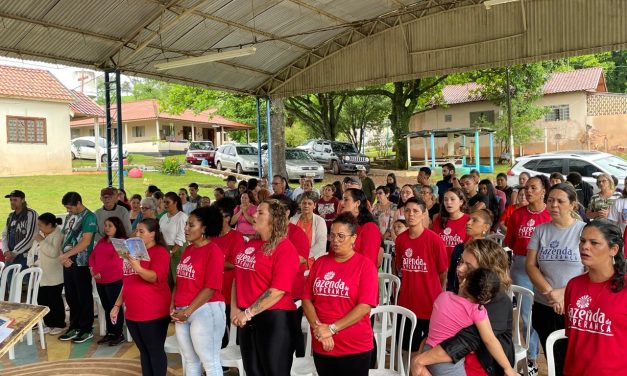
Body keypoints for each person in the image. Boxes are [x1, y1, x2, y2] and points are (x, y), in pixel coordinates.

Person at [411, 239, 514, 376]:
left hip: (481, 367)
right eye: (461, 261)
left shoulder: (498, 302)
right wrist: (420, 356)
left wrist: (420, 360)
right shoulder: (461, 293)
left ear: (486, 273)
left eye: (469, 267)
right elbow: (435, 329)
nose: (459, 268)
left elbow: (465, 340)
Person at [302, 212, 378, 376]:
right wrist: (319, 329)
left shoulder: (365, 266)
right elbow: (307, 299)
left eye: (341, 236)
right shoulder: (320, 263)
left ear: (353, 238)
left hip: (354, 347)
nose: (335, 240)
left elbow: (364, 306)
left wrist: (332, 329)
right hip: (322, 342)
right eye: (333, 235)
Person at [231, 199, 300, 376]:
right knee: (252, 371)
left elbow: (277, 290)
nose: (254, 214)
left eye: (260, 212)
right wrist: (234, 309)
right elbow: (237, 278)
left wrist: (247, 313)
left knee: (273, 371)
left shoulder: (285, 248)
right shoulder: (251, 244)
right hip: (247, 317)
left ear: (274, 219)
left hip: (274, 319)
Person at [525, 183, 586, 376]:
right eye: (550, 200)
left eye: (560, 201)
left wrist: (563, 293)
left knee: (576, 357)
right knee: (553, 357)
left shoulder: (584, 231)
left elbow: (591, 270)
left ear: (573, 205)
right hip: (545, 304)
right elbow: (530, 265)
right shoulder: (541, 230)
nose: (554, 205)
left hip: (577, 305)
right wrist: (551, 293)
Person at [423, 268, 518, 376]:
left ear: (464, 282)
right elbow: (490, 341)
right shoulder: (477, 311)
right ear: (487, 300)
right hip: (446, 360)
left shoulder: (443, 296)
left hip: (428, 350)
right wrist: (508, 368)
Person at [563, 219, 627, 375]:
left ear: (613, 249)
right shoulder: (573, 285)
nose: (585, 246)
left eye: (594, 243)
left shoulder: (624, 287)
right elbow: (572, 334)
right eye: (582, 241)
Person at [503, 175, 551, 374]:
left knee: (543, 313)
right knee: (525, 316)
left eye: (533, 187)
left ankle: (550, 355)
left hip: (546, 269)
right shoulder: (517, 215)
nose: (528, 191)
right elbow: (510, 242)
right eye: (527, 187)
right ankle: (531, 358)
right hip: (521, 267)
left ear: (543, 191)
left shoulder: (550, 215)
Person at [111, 218, 171, 376]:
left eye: (141, 231)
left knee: (154, 350)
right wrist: (117, 305)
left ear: (153, 234)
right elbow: (127, 282)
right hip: (133, 310)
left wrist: (137, 267)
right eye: (136, 230)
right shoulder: (132, 253)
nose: (137, 234)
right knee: (143, 351)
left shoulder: (160, 252)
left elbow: (154, 277)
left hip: (152, 311)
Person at [171, 206, 226, 376]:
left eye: (191, 225)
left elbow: (210, 288)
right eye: (186, 224)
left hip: (205, 310)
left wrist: (187, 311)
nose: (186, 229)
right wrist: (172, 306)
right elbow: (179, 282)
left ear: (204, 228)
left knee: (210, 362)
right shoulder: (189, 249)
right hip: (182, 312)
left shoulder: (213, 251)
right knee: (190, 361)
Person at [395, 197, 448, 354]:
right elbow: (400, 268)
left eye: (416, 211)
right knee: (406, 348)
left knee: (429, 349)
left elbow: (442, 272)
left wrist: (432, 289)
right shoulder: (400, 240)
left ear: (424, 214)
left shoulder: (435, 240)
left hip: (429, 304)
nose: (411, 214)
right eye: (407, 210)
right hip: (406, 302)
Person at [58, 192, 97, 343]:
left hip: (81, 261)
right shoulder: (70, 217)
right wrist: (63, 255)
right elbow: (64, 237)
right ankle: (74, 326)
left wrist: (67, 255)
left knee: (83, 296)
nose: (68, 211)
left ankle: (86, 328)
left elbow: (86, 241)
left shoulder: (89, 217)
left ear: (79, 203)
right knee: (71, 295)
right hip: (67, 260)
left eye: (70, 208)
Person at [211, 198, 247, 350]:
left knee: (233, 324)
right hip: (212, 288)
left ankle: (238, 355)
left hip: (229, 288)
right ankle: (221, 359)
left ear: (227, 217)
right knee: (216, 326)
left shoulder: (236, 237)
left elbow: (234, 263)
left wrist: (212, 263)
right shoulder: (211, 236)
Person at [89, 216, 127, 345]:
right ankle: (110, 332)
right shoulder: (102, 241)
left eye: (110, 225)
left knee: (114, 307)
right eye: (105, 225)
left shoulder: (121, 242)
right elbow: (93, 256)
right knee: (106, 306)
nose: (106, 228)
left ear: (117, 227)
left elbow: (117, 261)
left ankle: (118, 333)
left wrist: (98, 270)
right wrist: (93, 269)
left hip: (114, 278)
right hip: (100, 279)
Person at [28, 212, 65, 335]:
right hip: (40, 275)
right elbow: (32, 251)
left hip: (54, 275)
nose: (39, 228)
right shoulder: (41, 234)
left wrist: (42, 241)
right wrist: (31, 264)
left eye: (41, 225)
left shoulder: (58, 234)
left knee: (54, 300)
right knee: (42, 299)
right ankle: (49, 323)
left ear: (49, 225)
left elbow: (53, 252)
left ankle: (59, 324)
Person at [447, 209, 493, 292]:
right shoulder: (459, 248)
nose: (468, 223)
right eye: (468, 219)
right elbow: (451, 275)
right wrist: (451, 293)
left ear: (486, 227)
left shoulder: (490, 251)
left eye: (474, 220)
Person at [2, 189, 38, 278]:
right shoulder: (11, 216)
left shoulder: (31, 214)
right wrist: (6, 251)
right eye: (11, 200)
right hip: (10, 258)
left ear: (22, 200)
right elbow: (4, 235)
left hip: (25, 257)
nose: (12, 202)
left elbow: (31, 236)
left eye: (15, 200)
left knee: (28, 287)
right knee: (11, 286)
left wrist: (14, 252)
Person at [341, 188, 381, 267]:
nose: (342, 203)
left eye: (346, 200)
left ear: (357, 203)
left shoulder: (370, 228)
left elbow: (368, 262)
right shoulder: (346, 224)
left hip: (359, 275)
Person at [159, 192, 188, 288]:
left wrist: (172, 251)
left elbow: (181, 237)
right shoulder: (163, 217)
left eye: (168, 202)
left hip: (178, 250)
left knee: (177, 279)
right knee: (166, 279)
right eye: (164, 202)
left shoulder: (182, 216)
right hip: (165, 249)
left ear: (175, 203)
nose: (165, 205)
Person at [432, 188, 469, 258]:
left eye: (452, 199)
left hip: (459, 263)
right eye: (445, 200)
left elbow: (469, 246)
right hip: (441, 263)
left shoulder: (468, 220)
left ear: (461, 202)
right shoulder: (439, 219)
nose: (448, 202)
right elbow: (433, 242)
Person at [291, 191, 327, 259]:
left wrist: (305, 256)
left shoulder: (320, 221)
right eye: (304, 203)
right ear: (300, 205)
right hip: (294, 257)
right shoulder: (293, 220)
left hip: (312, 258)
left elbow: (321, 244)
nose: (306, 205)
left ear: (314, 206)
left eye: (309, 203)